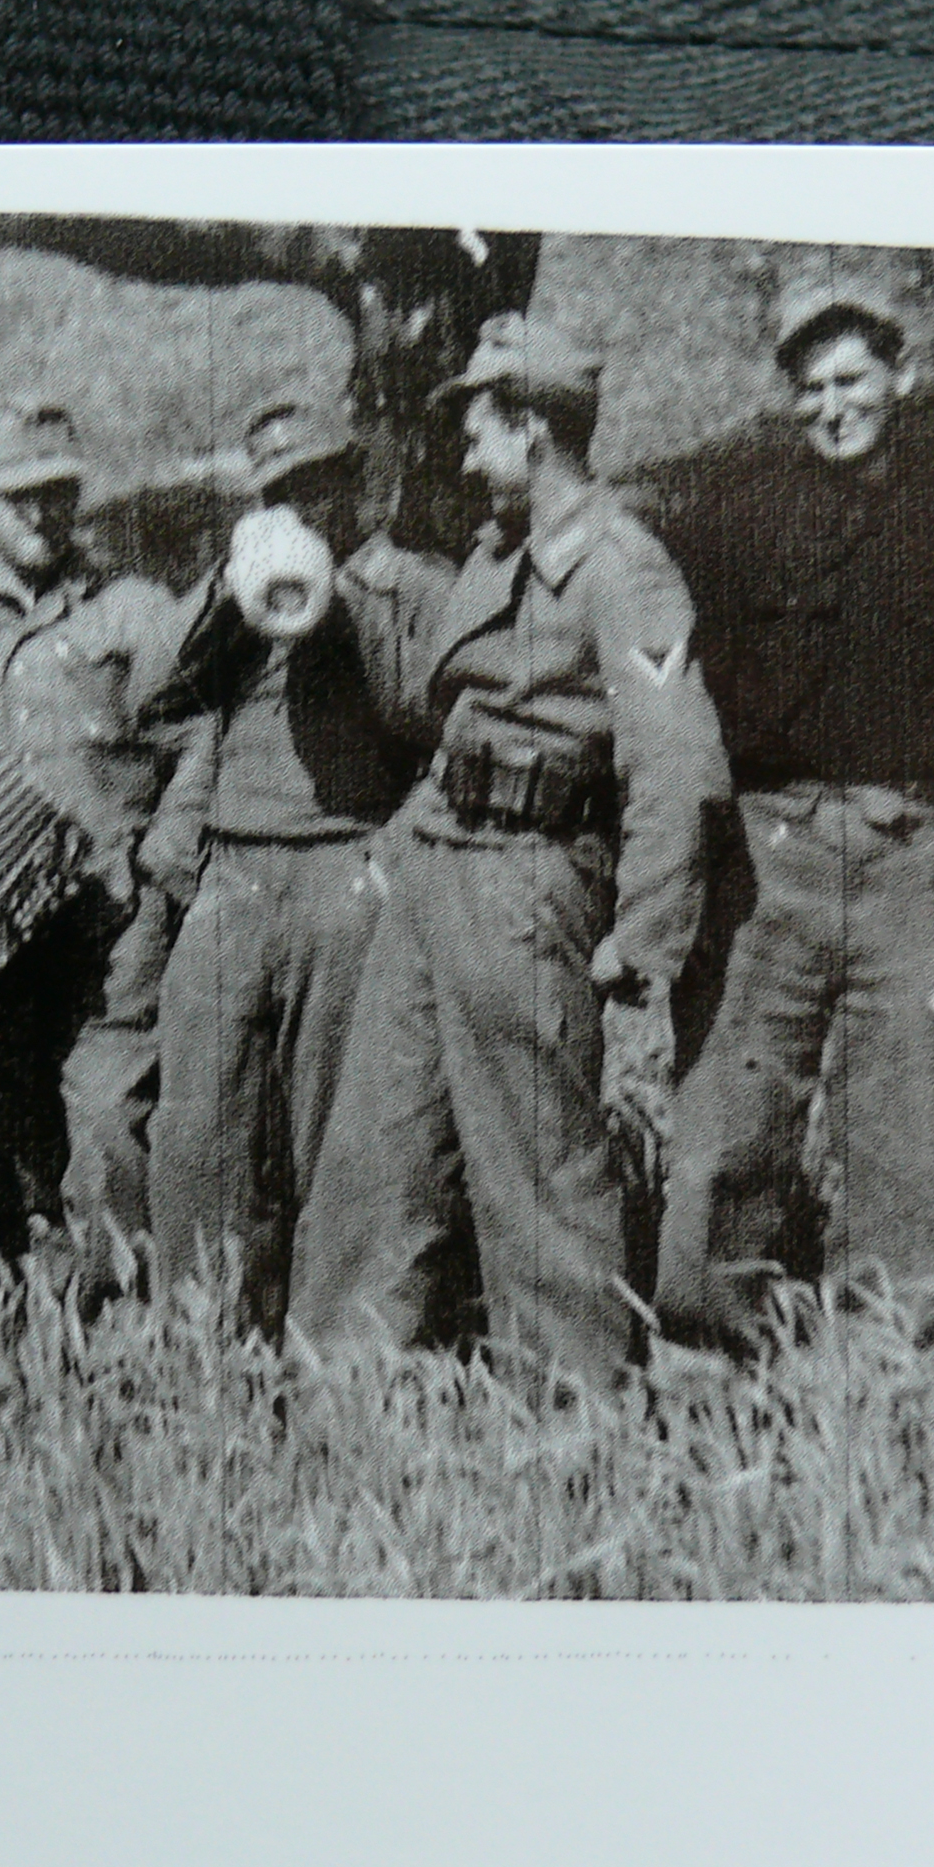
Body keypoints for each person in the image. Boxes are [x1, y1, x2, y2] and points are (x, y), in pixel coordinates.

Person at [286, 316, 729, 1385]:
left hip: (531, 876)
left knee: (537, 1169)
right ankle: (342, 1399)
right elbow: (457, 724)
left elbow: (675, 762)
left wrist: (645, 930)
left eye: (480, 433)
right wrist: (402, 849)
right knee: (378, 1148)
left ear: (533, 429)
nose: (465, 458)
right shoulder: (495, 558)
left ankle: (569, 1418)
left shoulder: (623, 567)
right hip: (440, 861)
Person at [658, 295, 934, 1353]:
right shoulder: (734, 514)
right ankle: (708, 1385)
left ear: (900, 378)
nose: (832, 407)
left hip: (908, 862)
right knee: (728, 1131)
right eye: (811, 390)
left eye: (851, 381)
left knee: (905, 1144)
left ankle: (894, 1393)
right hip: (766, 861)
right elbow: (666, 678)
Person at [138, 397, 453, 1333]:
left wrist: (390, 858)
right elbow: (150, 699)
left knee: (343, 1130)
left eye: (319, 482)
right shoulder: (241, 591)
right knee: (202, 1126)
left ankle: (336, 1357)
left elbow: (448, 731)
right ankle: (209, 1343)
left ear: (355, 482)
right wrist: (224, 591)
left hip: (345, 868)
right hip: (234, 875)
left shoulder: (411, 586)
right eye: (280, 491)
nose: (304, 505)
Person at [0, 401, 197, 1246]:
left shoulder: (134, 611)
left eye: (58, 492)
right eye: (19, 496)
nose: (41, 513)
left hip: (115, 921)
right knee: (7, 1119)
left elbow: (199, 739)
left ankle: (118, 1304)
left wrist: (159, 856)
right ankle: (40, 1298)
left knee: (109, 1117)